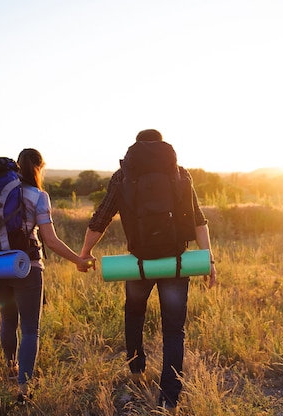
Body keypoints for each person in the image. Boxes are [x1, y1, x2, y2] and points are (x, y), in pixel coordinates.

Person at [80, 129, 217, 412]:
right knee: (174, 331)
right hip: (176, 263)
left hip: (139, 262)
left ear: (137, 146)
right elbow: (199, 220)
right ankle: (169, 400)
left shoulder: (123, 175)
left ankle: (136, 370)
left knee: (134, 313)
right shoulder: (180, 174)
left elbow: (100, 219)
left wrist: (85, 253)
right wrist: (209, 260)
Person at [0, 148, 91, 405]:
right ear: (38, 167)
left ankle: (11, 368)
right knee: (30, 329)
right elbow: (51, 241)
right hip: (27, 267)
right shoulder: (38, 196)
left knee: (7, 319)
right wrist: (78, 260)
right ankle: (24, 388)